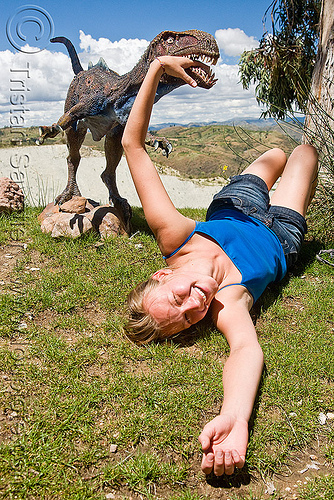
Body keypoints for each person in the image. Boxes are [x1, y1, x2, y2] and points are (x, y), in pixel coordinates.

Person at [121, 55, 318, 477]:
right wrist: (236, 417)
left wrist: (156, 67)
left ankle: (267, 167)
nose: (197, 301)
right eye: (191, 317)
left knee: (277, 152)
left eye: (179, 296)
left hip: (235, 207)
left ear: (163, 274)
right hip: (279, 232)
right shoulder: (227, 302)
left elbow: (132, 146)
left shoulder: (175, 235)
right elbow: (246, 350)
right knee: (304, 152)